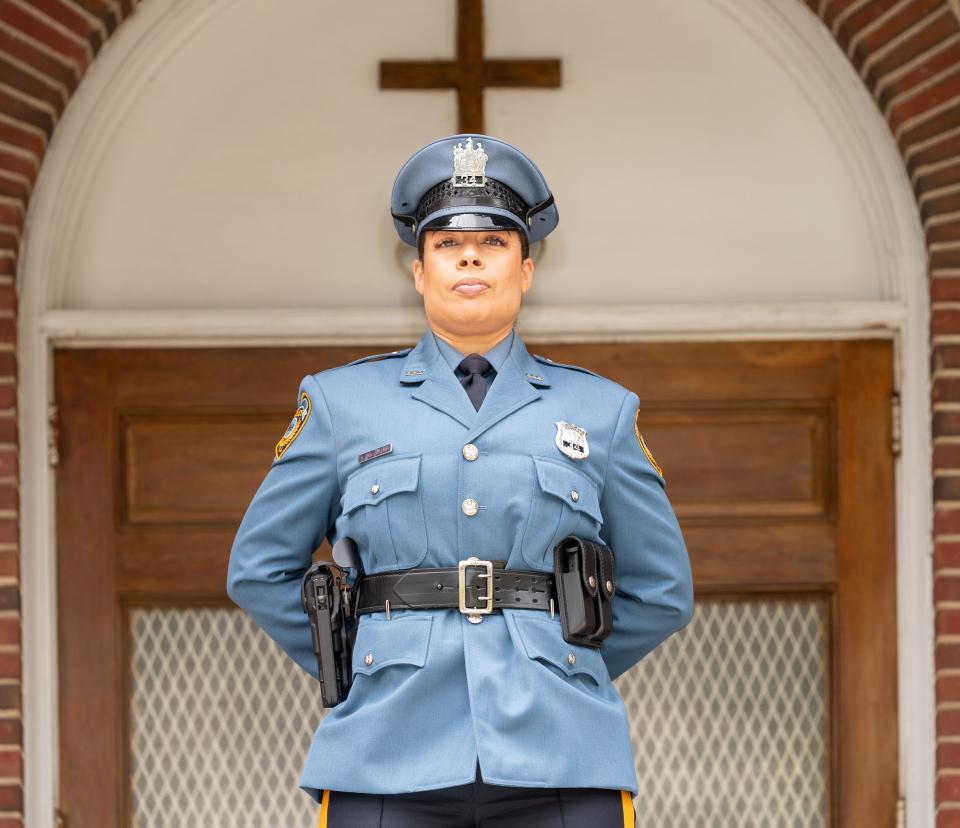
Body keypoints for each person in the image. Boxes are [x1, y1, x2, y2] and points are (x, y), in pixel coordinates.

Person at [227, 134, 694, 828]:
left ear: (527, 268)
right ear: (418, 271)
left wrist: (563, 662)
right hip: (384, 754)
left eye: (494, 242)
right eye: (446, 243)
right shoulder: (339, 405)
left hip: (562, 755)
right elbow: (258, 569)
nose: (469, 255)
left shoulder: (601, 412)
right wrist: (362, 662)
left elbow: (664, 590)